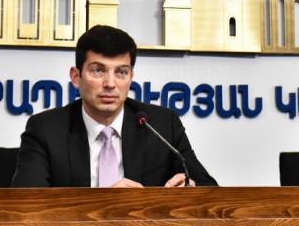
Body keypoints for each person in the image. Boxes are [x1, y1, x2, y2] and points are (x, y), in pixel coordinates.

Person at [11, 25, 217, 187]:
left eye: (121, 72)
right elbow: (26, 206)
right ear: (76, 77)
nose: (110, 83)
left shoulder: (162, 125)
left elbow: (211, 192)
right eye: (98, 70)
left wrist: (190, 190)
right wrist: (105, 203)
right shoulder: (46, 129)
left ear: (131, 77)